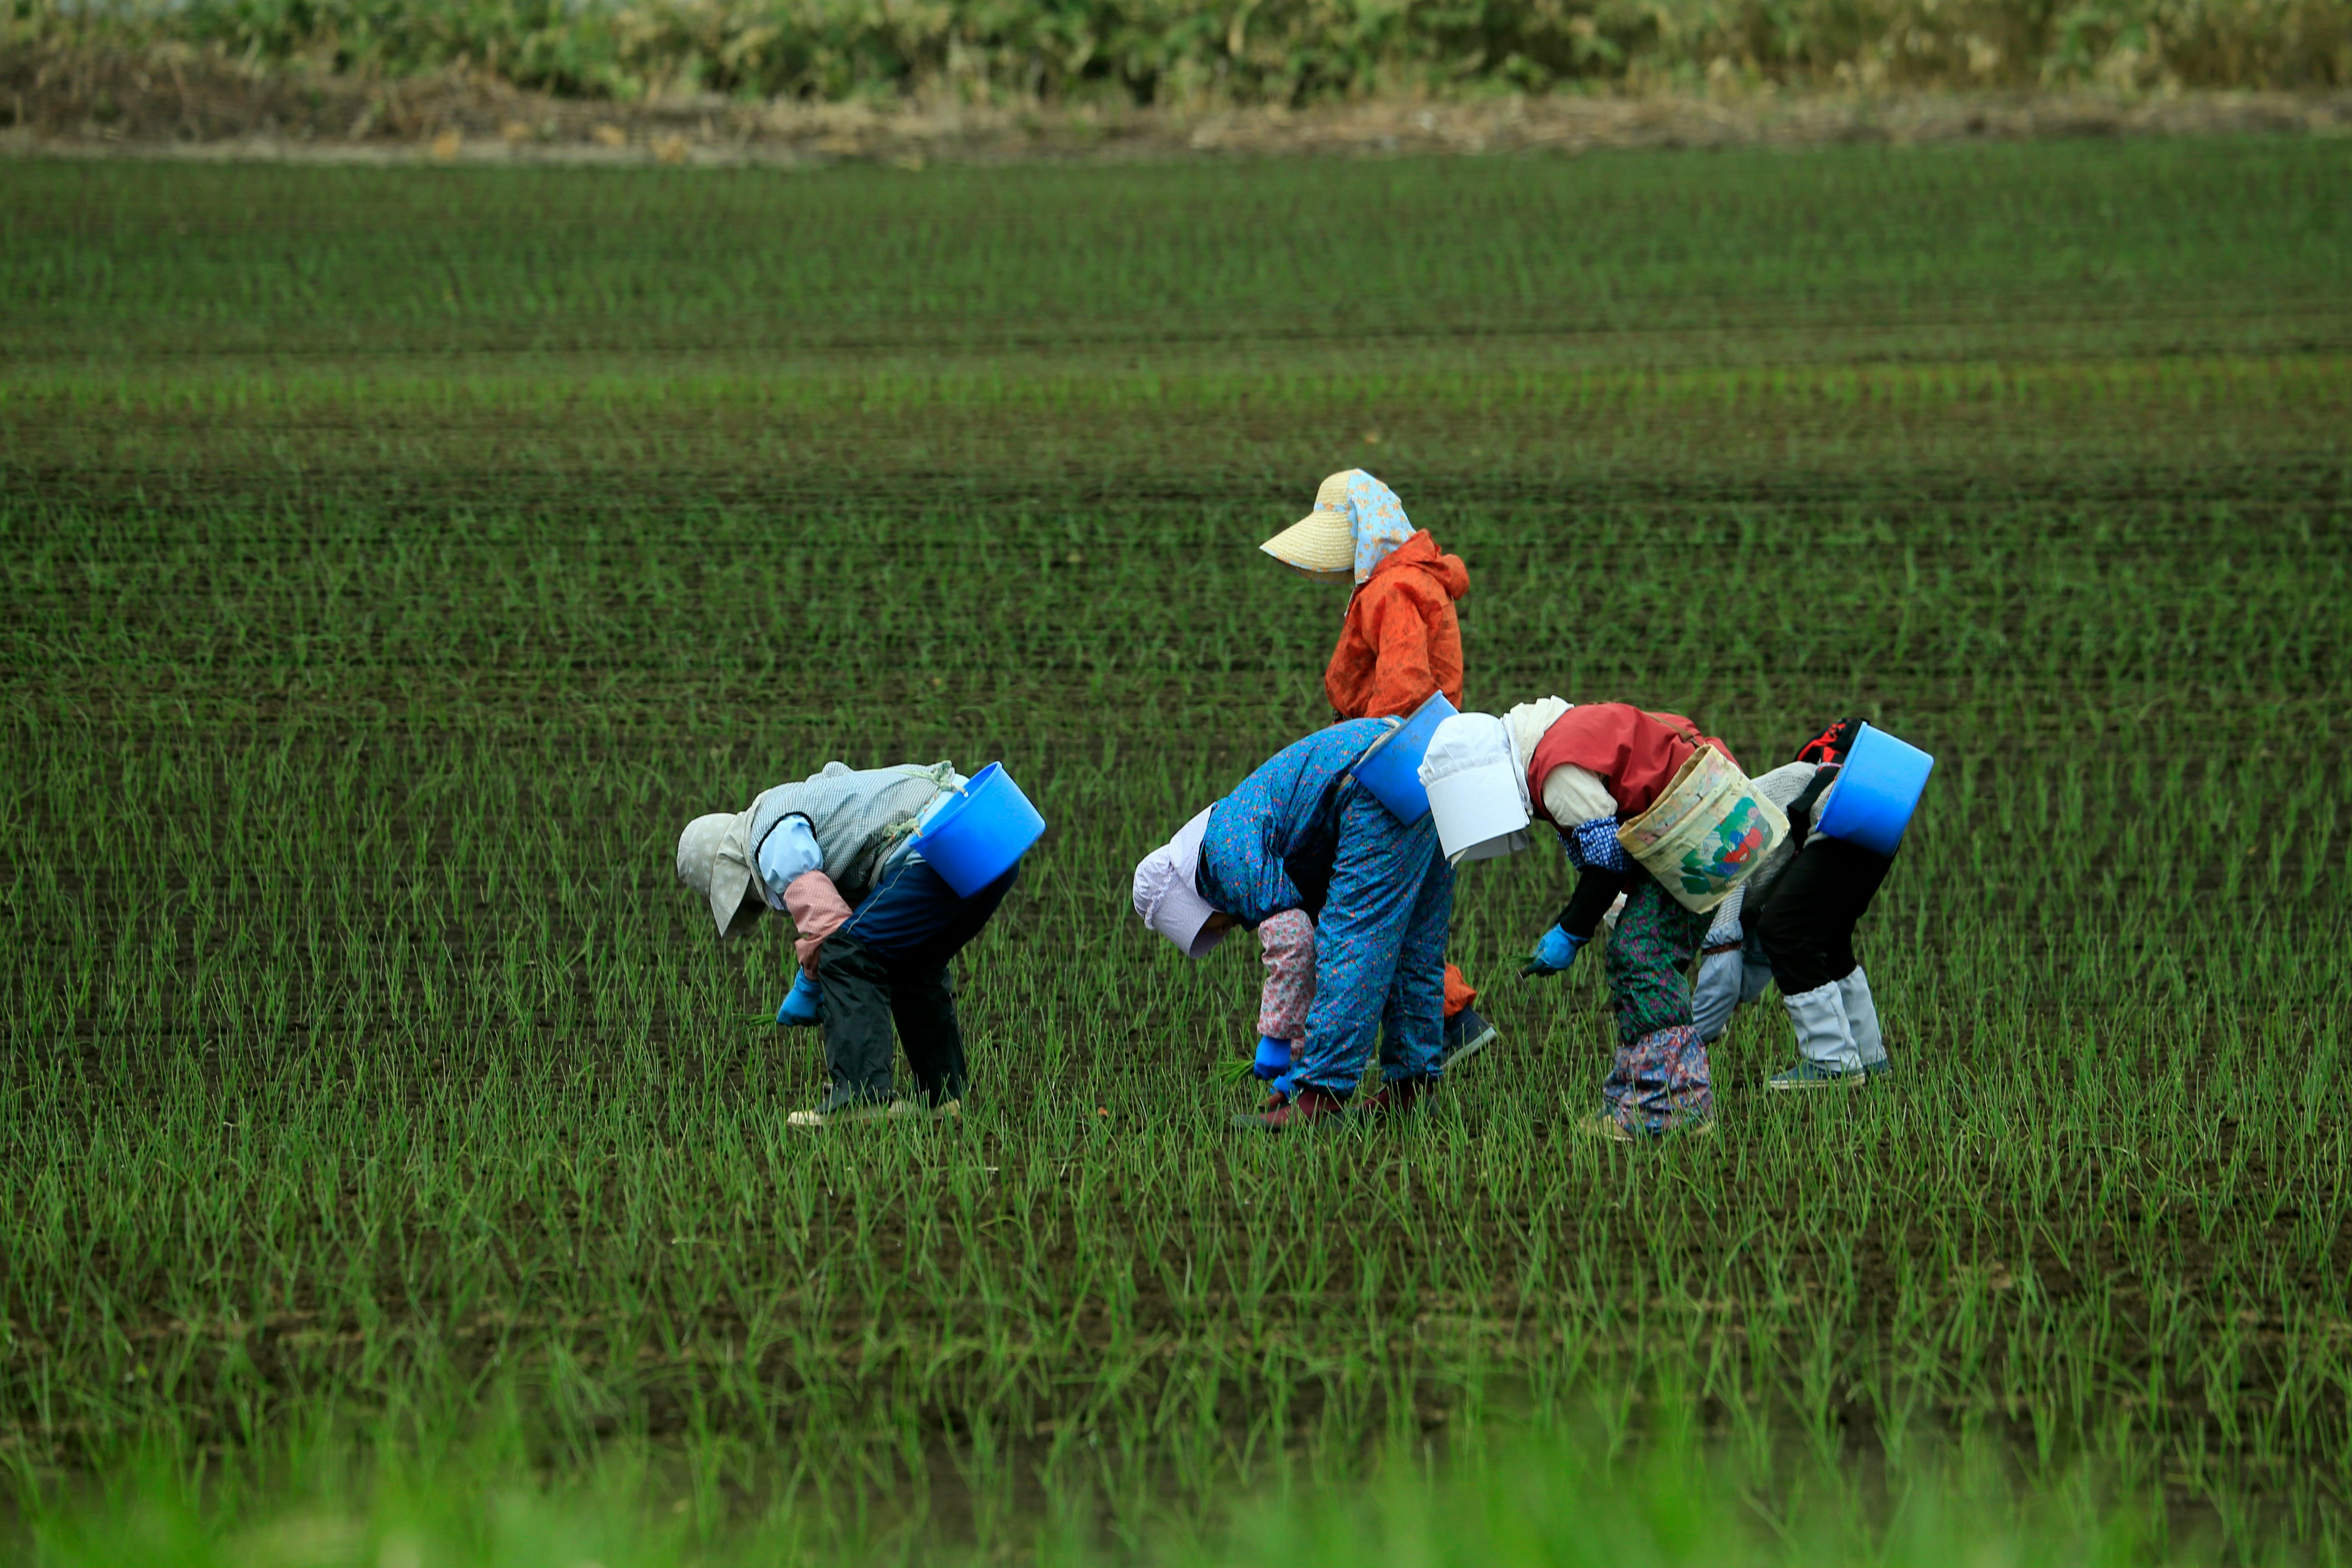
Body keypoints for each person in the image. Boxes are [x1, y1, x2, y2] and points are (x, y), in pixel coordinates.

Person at [1420, 700, 1745, 1142]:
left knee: (1642, 953)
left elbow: (1607, 864)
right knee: (1636, 951)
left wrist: (1570, 930)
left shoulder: (1558, 772)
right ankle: (1641, 1094)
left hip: (1708, 827)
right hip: (1708, 816)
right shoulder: (1558, 740)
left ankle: (1673, 1104)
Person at [1257, 469, 1495, 1067]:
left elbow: (1403, 693)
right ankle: (1440, 1038)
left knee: (1355, 923)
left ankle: (1324, 1082)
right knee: (1411, 923)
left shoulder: (1392, 593)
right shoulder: (1411, 583)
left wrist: (1348, 769)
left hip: (1393, 776)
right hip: (1427, 774)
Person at [1133, 720, 1452, 1130]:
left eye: (1208, 927)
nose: (1222, 930)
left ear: (1190, 900)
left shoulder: (1221, 855)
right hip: (1419, 759)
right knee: (1412, 943)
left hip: (1373, 780)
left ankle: (1322, 1096)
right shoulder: (1238, 826)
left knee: (1353, 937)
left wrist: (1278, 1040)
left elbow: (1296, 945)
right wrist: (1294, 1063)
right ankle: (1413, 1089)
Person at [674, 759, 1017, 1128]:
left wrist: (814, 977)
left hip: (943, 840)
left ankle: (861, 1095)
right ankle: (941, 1098)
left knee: (847, 954)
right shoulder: (800, 802)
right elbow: (861, 919)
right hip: (995, 826)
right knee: (912, 962)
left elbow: (832, 929)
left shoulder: (767, 835)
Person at [1688, 718, 1896, 1087]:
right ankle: (1868, 1055)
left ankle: (1833, 1063)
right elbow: (1748, 967)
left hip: (1839, 817)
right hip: (1881, 820)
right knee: (1828, 940)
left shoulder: (1703, 875)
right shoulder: (1707, 846)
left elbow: (1725, 973)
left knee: (1784, 933)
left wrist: (1690, 1039)